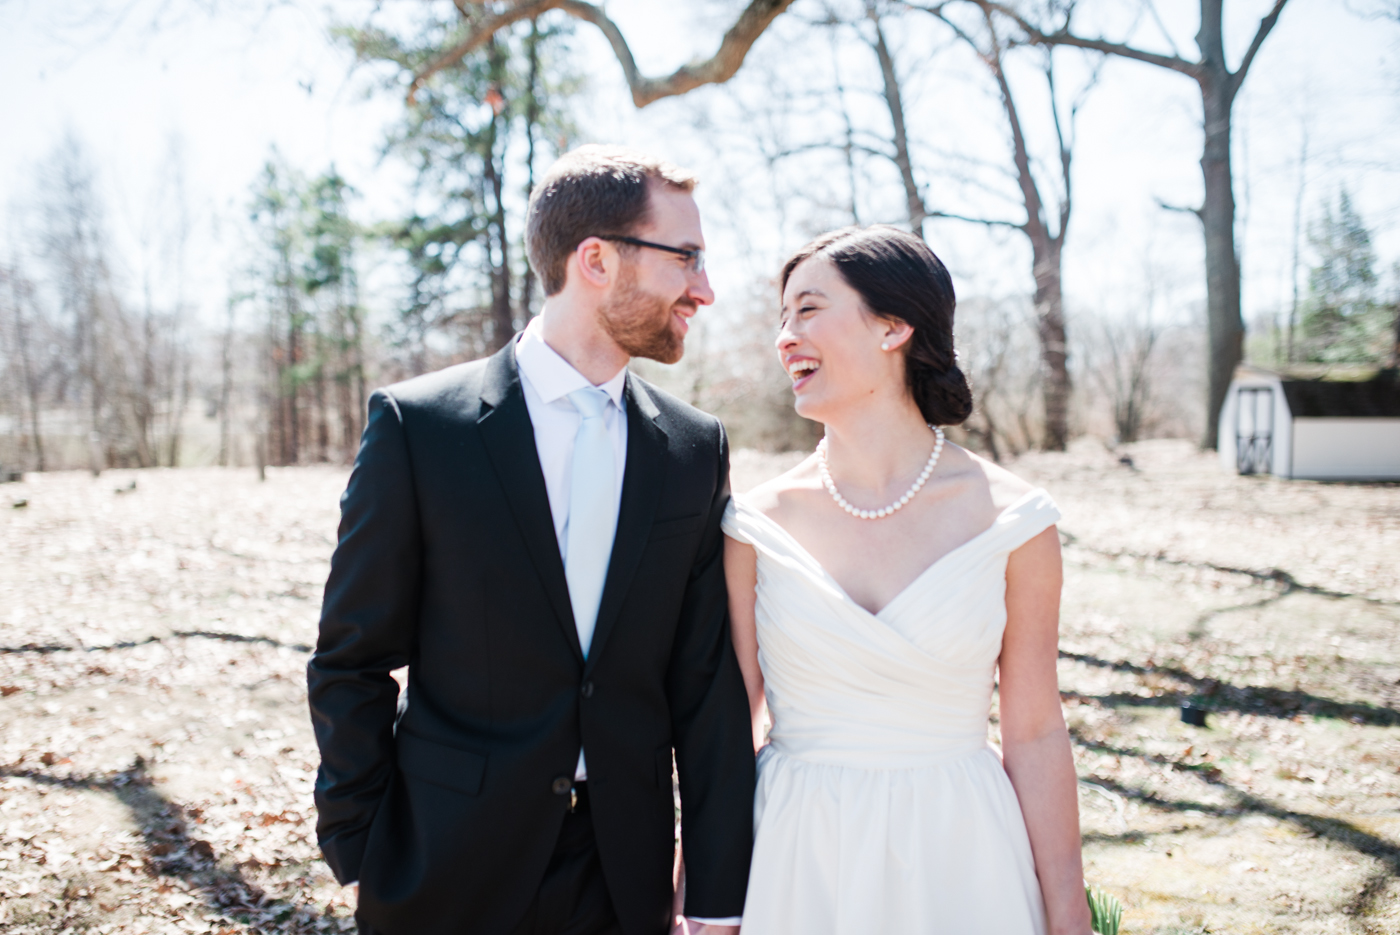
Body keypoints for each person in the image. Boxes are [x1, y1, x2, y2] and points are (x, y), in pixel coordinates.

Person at [307, 146, 755, 935]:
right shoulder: (422, 429)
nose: (704, 288)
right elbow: (352, 657)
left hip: (624, 877)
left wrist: (718, 892)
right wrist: (362, 841)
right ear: (596, 260)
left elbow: (706, 685)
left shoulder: (694, 449)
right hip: (444, 868)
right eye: (685, 257)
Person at [722, 226, 1092, 934]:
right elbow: (732, 725)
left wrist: (1067, 909)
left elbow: (1037, 730)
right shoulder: (754, 524)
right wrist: (699, 885)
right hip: (798, 853)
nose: (785, 336)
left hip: (960, 849)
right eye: (782, 318)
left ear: (892, 326)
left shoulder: (1015, 522)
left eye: (807, 309)